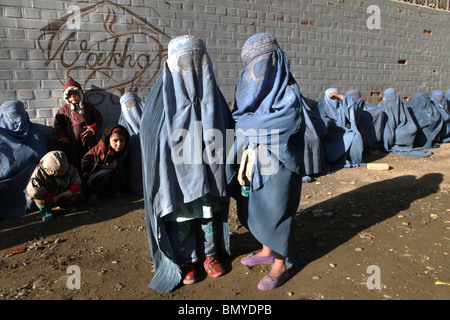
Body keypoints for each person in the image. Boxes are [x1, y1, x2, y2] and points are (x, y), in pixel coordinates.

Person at [140, 35, 232, 293]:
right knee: (181, 214)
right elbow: (150, 138)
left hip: (208, 170)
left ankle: (210, 254)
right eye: (183, 63)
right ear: (171, 64)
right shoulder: (160, 102)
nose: (191, 69)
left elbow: (228, 130)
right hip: (177, 175)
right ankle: (187, 258)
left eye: (197, 62)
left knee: (208, 211)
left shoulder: (214, 97)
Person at [226, 33, 304, 291]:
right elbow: (241, 116)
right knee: (256, 205)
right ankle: (266, 250)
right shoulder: (250, 92)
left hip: (280, 163)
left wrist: (248, 125)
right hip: (254, 162)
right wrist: (249, 125)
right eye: (253, 65)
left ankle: (280, 264)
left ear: (277, 61)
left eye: (264, 62)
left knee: (278, 210)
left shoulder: (288, 93)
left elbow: (284, 122)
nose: (257, 72)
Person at [0, 100, 48, 220]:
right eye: (13, 115)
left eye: (20, 115)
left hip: (29, 174)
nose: (18, 120)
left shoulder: (33, 131)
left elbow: (42, 155)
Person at [54, 76, 103, 171]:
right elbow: (58, 125)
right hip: (72, 143)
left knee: (89, 161)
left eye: (75, 94)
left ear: (80, 94)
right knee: (74, 163)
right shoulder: (64, 110)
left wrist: (92, 129)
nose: (73, 97)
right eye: (70, 95)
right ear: (67, 97)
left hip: (88, 141)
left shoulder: (88, 107)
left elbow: (99, 119)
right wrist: (63, 138)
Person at [81, 123, 130, 206]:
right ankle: (95, 194)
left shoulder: (123, 152)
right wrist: (104, 166)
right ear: (108, 139)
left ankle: (112, 190)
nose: (119, 144)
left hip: (111, 175)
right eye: (115, 141)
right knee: (104, 175)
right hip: (94, 179)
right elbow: (85, 166)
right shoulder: (98, 151)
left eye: (122, 141)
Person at [315, 88, 364, 169]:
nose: (334, 100)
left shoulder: (341, 105)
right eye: (331, 97)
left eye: (335, 97)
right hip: (329, 133)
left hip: (342, 131)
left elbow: (353, 105)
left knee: (356, 136)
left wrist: (340, 97)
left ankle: (354, 160)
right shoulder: (322, 106)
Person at [26, 150, 81, 221]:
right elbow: (34, 191)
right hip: (47, 195)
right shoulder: (38, 174)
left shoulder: (68, 168)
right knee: (38, 195)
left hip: (63, 192)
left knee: (77, 190)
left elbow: (76, 179)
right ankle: (46, 210)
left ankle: (66, 204)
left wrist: (70, 190)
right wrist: (50, 198)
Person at [378, 88, 432, 157]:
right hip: (385, 130)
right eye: (387, 97)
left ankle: (399, 143)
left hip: (400, 129)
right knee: (386, 134)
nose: (390, 99)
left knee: (411, 129)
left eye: (392, 97)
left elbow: (408, 121)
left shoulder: (401, 106)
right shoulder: (380, 107)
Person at [118, 92, 144, 195]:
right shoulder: (123, 126)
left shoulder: (150, 119)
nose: (131, 108)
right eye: (127, 105)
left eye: (133, 103)